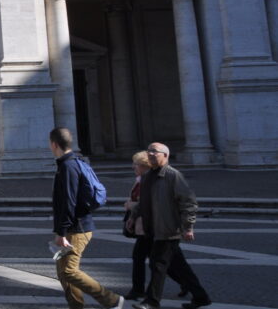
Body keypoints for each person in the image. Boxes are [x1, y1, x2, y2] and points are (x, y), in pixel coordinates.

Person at [49, 127, 123, 309]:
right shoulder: (70, 163)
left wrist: (61, 232)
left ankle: (111, 299)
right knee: (63, 272)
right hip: (75, 226)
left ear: (54, 144)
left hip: (77, 227)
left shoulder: (68, 166)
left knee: (69, 271)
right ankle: (76, 306)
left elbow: (69, 201)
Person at [136, 142, 211, 309]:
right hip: (153, 228)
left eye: (155, 151)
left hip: (168, 229)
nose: (150, 154)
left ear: (166, 155)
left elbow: (188, 202)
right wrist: (134, 217)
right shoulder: (147, 176)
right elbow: (144, 202)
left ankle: (151, 301)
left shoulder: (173, 175)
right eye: (149, 151)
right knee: (180, 267)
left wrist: (188, 226)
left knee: (158, 264)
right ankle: (201, 297)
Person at [124, 151, 190, 301]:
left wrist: (130, 205)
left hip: (153, 226)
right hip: (146, 225)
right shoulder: (141, 180)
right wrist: (132, 215)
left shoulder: (152, 180)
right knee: (164, 260)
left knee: (156, 260)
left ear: (145, 166)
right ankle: (188, 284)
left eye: (136, 164)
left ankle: (139, 291)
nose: (133, 166)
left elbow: (151, 203)